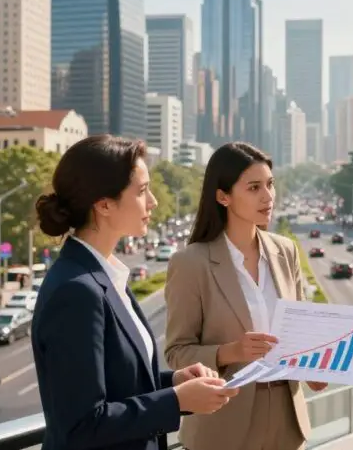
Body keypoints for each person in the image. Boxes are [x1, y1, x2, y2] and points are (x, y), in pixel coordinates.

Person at [31, 135, 236, 450]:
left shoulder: (106, 273)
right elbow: (81, 424)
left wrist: (175, 382)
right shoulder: (77, 291)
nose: (153, 201)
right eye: (142, 191)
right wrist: (175, 401)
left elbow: (119, 385)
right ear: (104, 205)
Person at [164, 142, 324, 450]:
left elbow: (301, 331)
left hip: (288, 418)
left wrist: (313, 369)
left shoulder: (286, 251)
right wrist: (230, 351)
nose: (268, 197)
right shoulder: (191, 263)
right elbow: (177, 352)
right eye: (254, 188)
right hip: (223, 423)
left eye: (270, 184)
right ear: (223, 196)